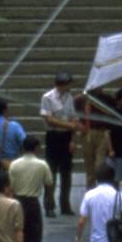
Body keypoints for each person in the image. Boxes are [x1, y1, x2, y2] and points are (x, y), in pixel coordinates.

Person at [39, 72, 81, 217]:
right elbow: (49, 119)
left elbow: (74, 118)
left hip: (66, 137)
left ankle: (65, 205)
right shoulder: (48, 97)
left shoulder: (69, 97)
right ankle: (49, 205)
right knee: (51, 173)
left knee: (66, 173)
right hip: (54, 136)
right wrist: (70, 125)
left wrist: (73, 139)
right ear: (61, 84)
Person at [7, 135, 53, 242]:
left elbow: (10, 186)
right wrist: (49, 199)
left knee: (18, 230)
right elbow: (49, 183)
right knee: (34, 234)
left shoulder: (14, 165)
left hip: (17, 201)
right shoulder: (42, 165)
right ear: (36, 148)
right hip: (33, 202)